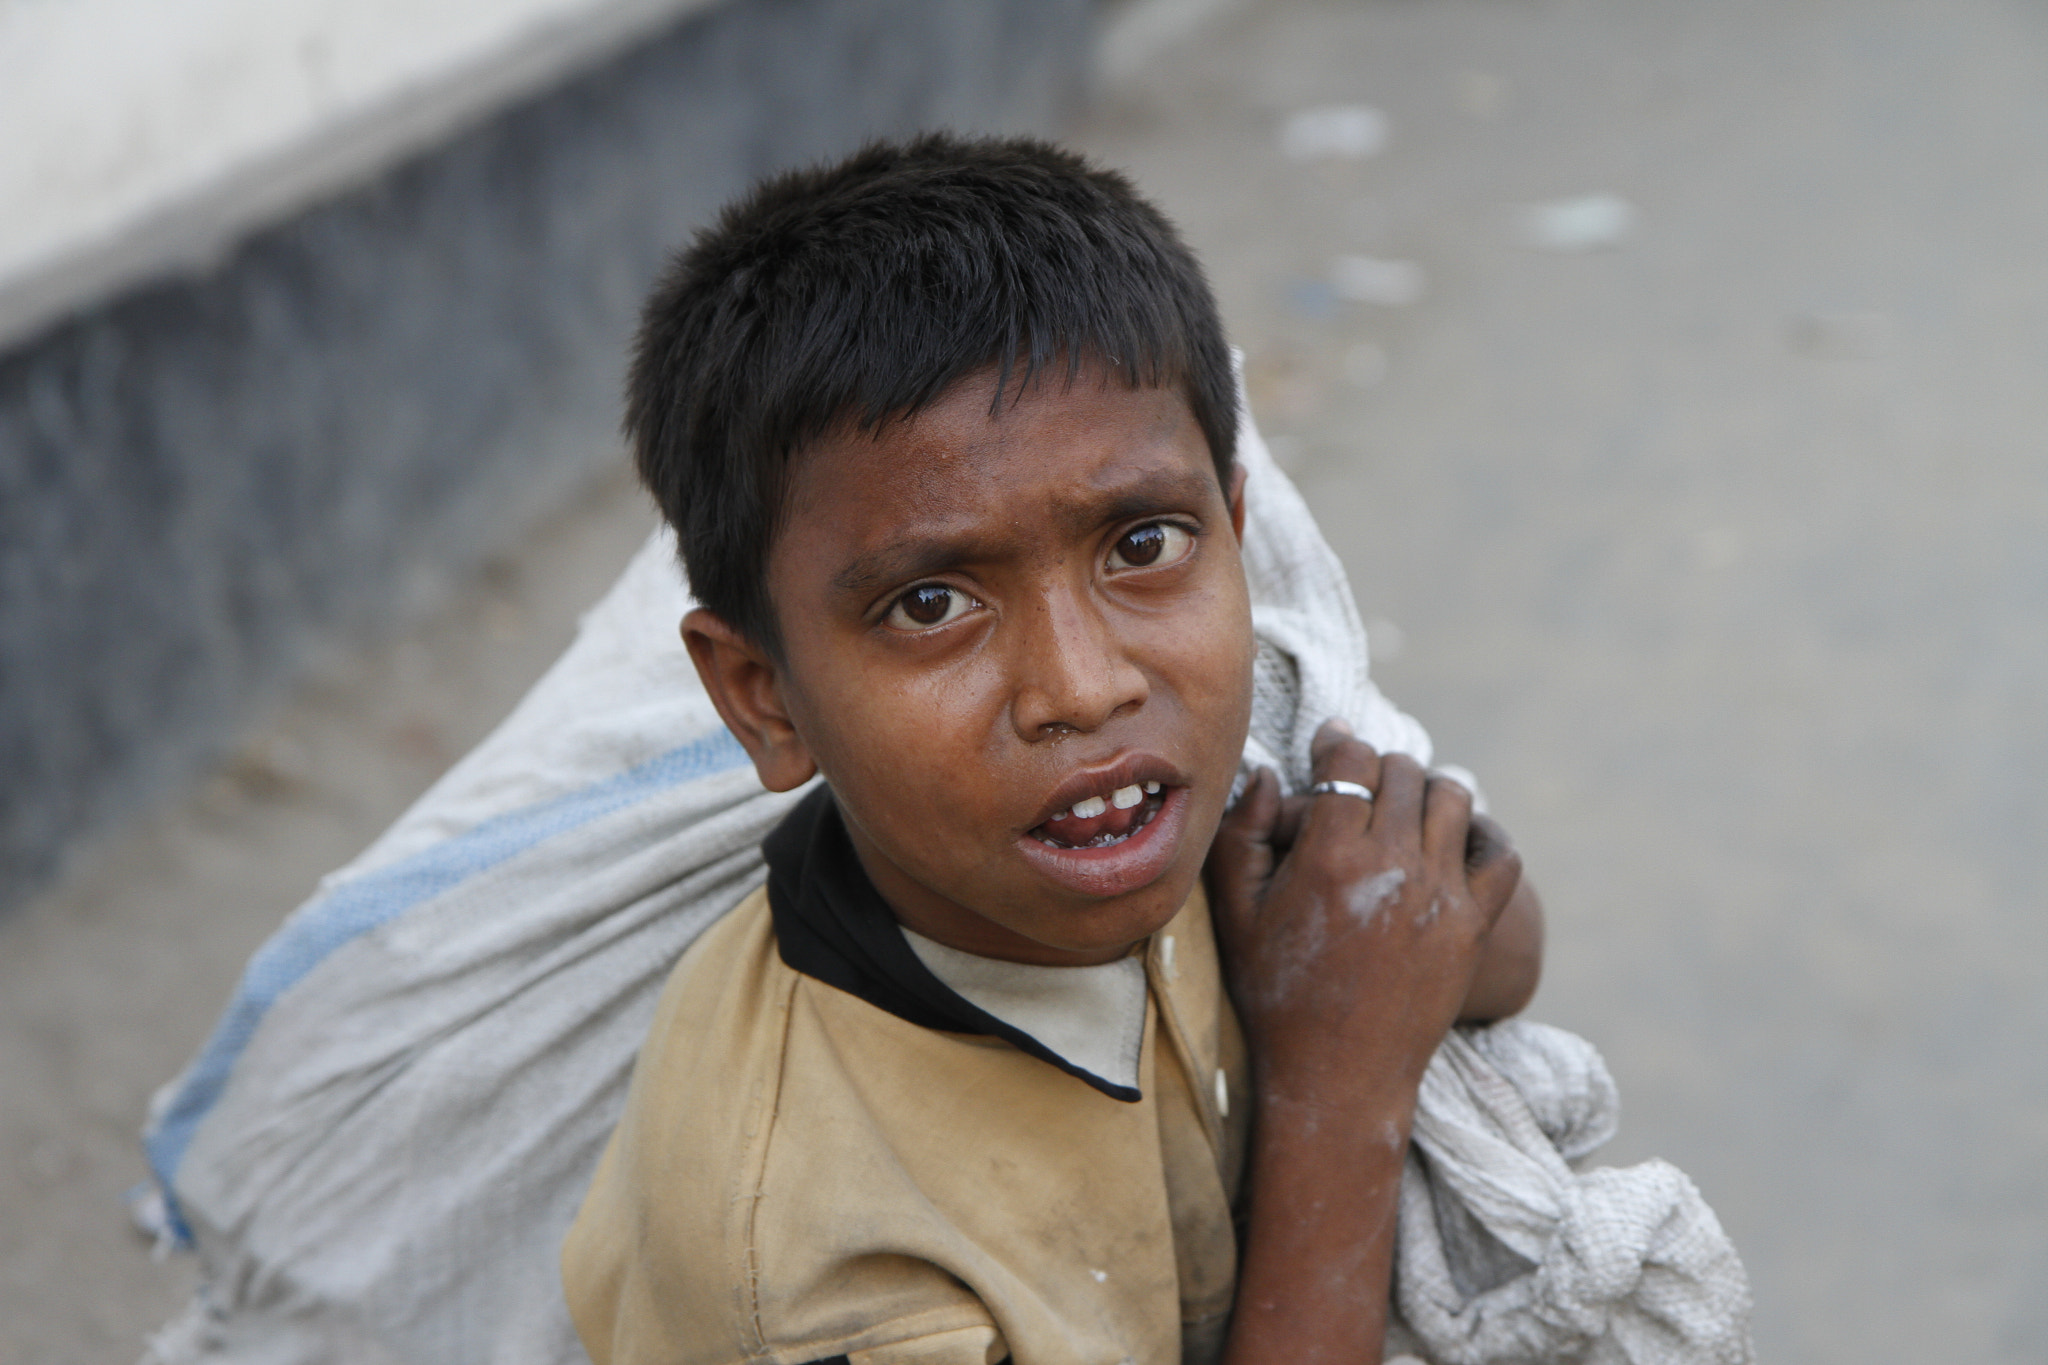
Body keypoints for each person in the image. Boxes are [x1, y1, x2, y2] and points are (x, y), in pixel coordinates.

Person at [560, 132, 1544, 1365]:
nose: (1083, 688)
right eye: (930, 605)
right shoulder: (801, 1261)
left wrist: (1368, 952)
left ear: (1237, 538)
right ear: (765, 698)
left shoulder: (1176, 820)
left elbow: (1488, 944)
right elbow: (1393, 1007)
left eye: (1141, 545)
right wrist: (1340, 1096)